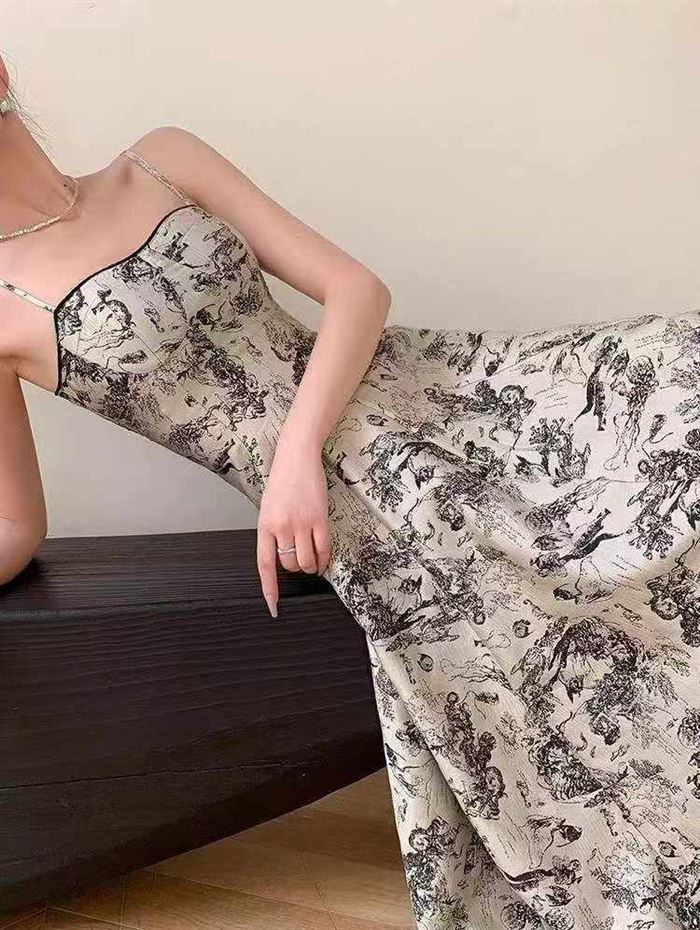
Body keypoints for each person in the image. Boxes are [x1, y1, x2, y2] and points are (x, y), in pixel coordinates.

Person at [1, 58, 698, 930]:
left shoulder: (160, 159)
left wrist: (295, 459)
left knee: (674, 369)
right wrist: (295, 473)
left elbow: (356, 289)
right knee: (509, 606)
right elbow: (16, 519)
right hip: (364, 503)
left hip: (411, 390)